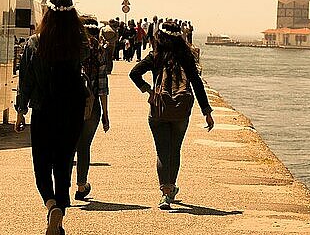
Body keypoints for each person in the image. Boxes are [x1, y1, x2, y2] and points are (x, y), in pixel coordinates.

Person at [15, 0, 88, 235]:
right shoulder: (79, 44)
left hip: (44, 111)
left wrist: (20, 110)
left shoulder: (35, 43)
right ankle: (60, 222)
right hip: (72, 112)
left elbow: (26, 79)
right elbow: (90, 55)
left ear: (47, 13)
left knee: (42, 165)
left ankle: (51, 206)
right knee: (64, 165)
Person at [129, 21, 214, 210]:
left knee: (162, 151)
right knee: (174, 150)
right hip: (180, 112)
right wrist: (206, 112)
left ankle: (165, 192)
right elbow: (198, 85)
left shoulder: (155, 56)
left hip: (158, 110)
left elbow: (134, 73)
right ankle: (170, 189)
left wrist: (149, 91)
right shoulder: (187, 58)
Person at [75, 17, 110, 201]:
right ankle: (81, 185)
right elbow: (102, 84)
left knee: (67, 145)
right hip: (91, 104)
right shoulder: (100, 50)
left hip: (69, 104)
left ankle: (62, 186)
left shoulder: (71, 46)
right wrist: (105, 113)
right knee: (84, 146)